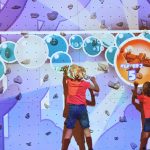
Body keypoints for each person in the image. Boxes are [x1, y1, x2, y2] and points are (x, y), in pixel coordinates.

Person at [61, 64, 99, 150]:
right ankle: (90, 149)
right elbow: (97, 89)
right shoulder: (85, 84)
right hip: (82, 108)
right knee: (86, 129)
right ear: (82, 74)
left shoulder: (70, 82)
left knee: (69, 130)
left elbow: (65, 79)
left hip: (72, 108)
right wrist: (93, 80)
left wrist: (65, 71)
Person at [132, 81, 150, 150]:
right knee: (143, 141)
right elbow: (134, 101)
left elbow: (135, 97)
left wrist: (135, 87)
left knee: (143, 141)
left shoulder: (144, 98)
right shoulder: (143, 102)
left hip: (147, 122)